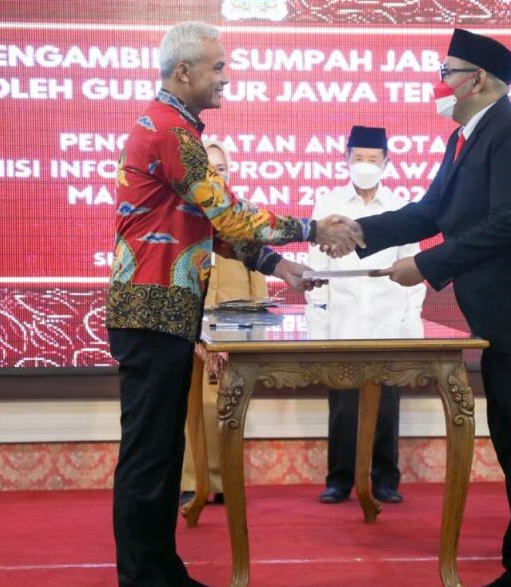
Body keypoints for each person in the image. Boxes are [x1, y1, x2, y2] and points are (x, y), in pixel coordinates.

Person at [105, 21, 360, 587]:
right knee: (149, 455)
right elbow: (230, 215)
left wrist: (277, 266)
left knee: (162, 452)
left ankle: (161, 570)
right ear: (184, 71)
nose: (226, 77)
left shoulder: (175, 128)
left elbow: (211, 229)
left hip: (162, 313)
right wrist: (312, 228)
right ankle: (142, 578)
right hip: (151, 312)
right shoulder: (170, 131)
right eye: (218, 67)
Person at [354, 29, 511, 587]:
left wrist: (426, 265)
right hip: (509, 324)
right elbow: (430, 212)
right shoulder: (466, 138)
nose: (439, 83)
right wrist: (357, 231)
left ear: (478, 80)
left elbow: (510, 222)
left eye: (447, 72)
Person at [305, 125, 426, 505]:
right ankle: (339, 479)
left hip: (389, 322)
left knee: (387, 404)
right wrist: (318, 327)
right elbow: (317, 271)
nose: (365, 165)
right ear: (346, 160)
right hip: (342, 321)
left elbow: (414, 272)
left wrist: (411, 328)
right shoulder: (327, 205)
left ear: (387, 162)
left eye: (373, 159)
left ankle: (385, 479)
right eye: (359, 158)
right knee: (343, 405)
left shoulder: (400, 207)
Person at [179, 140, 268, 509]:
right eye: (210, 169)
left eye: (223, 169)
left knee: (226, 410)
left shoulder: (242, 221)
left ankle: (225, 482)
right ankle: (192, 482)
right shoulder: (182, 220)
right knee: (190, 410)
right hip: (187, 336)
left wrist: (253, 339)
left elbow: (258, 288)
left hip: (233, 338)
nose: (217, 175)